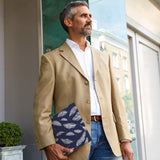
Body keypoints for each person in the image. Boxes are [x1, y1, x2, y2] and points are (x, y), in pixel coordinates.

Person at [33, 1, 134, 160]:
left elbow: (116, 101)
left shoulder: (103, 57)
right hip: (73, 135)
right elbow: (41, 109)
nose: (89, 19)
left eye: (90, 16)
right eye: (83, 16)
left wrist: (125, 138)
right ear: (69, 22)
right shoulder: (51, 60)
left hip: (108, 135)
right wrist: (48, 144)